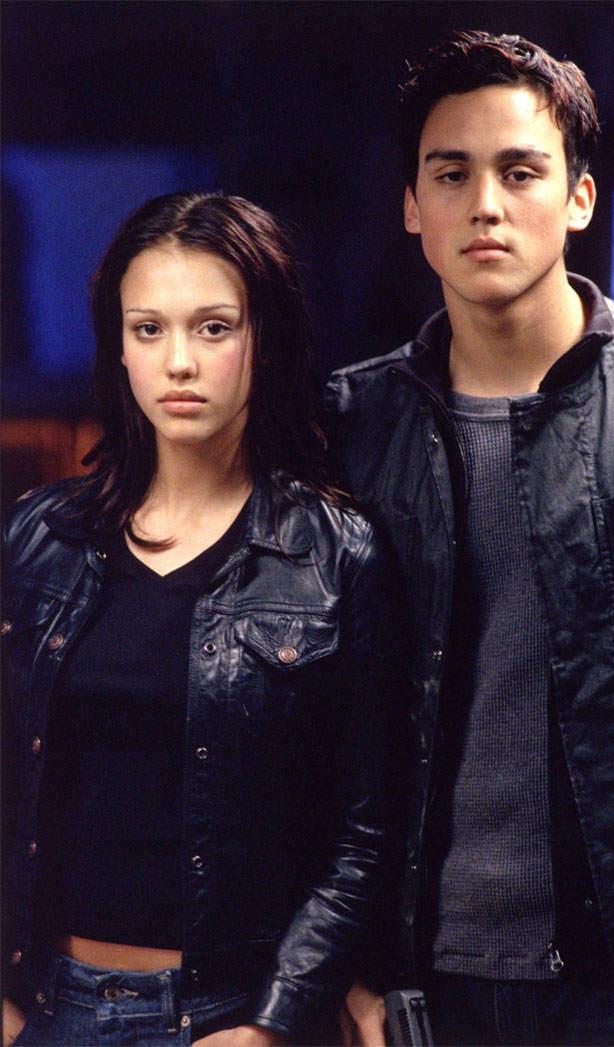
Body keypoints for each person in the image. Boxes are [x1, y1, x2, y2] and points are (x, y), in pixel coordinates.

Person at [324, 30, 614, 1047]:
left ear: (579, 197)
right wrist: (344, 968)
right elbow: (308, 726)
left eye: (520, 171)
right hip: (420, 977)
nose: (485, 204)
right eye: (451, 175)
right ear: (413, 205)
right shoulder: (349, 426)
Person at [2, 191, 400, 1047]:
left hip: (227, 1017)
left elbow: (366, 832)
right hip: (47, 1009)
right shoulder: (39, 538)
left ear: (266, 339)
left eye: (213, 328)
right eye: (149, 329)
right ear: (119, 347)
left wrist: (274, 1020)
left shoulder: (336, 554)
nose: (178, 361)